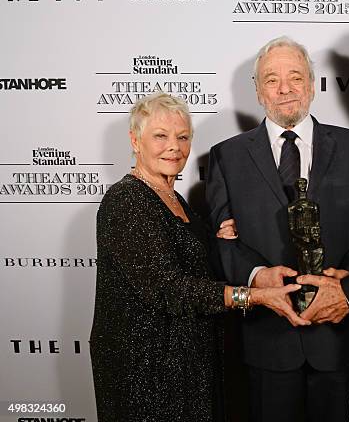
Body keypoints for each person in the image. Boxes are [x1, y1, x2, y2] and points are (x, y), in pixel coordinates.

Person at [89, 93, 307, 422]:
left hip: (187, 364)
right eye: (160, 136)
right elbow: (170, 289)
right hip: (145, 369)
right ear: (135, 140)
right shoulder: (126, 201)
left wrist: (221, 241)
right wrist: (255, 296)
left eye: (183, 137)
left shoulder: (175, 198)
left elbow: (194, 262)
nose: (173, 147)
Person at [206, 37, 349, 422]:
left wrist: (343, 286)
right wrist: (257, 275)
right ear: (257, 90)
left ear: (312, 85)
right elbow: (221, 240)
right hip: (267, 338)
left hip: (335, 333)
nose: (284, 89)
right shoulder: (226, 157)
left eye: (295, 77)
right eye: (271, 79)